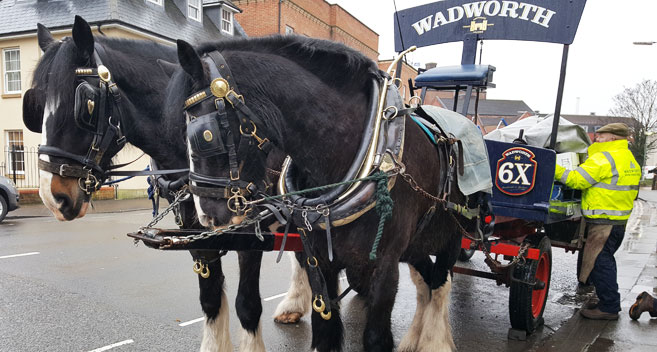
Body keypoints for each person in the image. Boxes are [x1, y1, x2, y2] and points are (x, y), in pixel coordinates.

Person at [554, 123, 641, 320]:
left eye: (602, 136)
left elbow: (577, 179)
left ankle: (609, 307)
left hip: (603, 221)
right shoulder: (628, 159)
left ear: (613, 138)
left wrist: (553, 166)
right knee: (604, 260)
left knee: (601, 263)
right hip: (618, 220)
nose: (597, 139)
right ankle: (605, 300)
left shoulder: (604, 158)